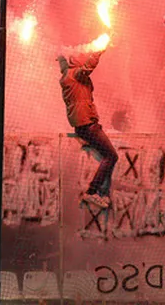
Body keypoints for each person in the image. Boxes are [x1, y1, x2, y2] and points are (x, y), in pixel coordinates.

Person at [57, 44, 117, 209]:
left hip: (81, 126)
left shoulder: (66, 75)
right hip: (88, 125)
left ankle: (98, 192)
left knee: (105, 153)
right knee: (111, 156)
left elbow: (65, 64)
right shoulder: (76, 74)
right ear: (74, 61)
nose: (82, 57)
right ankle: (92, 192)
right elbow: (88, 67)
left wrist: (60, 56)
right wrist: (99, 51)